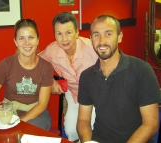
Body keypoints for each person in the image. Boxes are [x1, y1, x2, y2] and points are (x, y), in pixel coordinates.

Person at [77, 15, 161, 143]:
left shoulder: (142, 70)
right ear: (91, 39)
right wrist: (88, 142)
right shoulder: (86, 76)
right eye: (96, 35)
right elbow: (83, 120)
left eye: (108, 34)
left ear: (119, 37)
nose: (101, 41)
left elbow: (151, 124)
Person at [39, 11, 98, 142]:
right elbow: (37, 64)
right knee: (71, 130)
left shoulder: (92, 47)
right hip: (73, 93)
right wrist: (50, 80)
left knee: (93, 127)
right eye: (59, 34)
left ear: (77, 32)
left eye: (68, 33)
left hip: (96, 93)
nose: (64, 39)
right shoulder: (52, 50)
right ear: (55, 35)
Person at [0, 19, 54, 130]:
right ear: (15, 42)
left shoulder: (46, 67)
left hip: (37, 115)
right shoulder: (6, 64)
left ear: (38, 40)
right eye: (21, 38)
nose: (27, 43)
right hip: (9, 112)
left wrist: (19, 123)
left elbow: (42, 104)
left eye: (31, 37)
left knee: (26, 133)